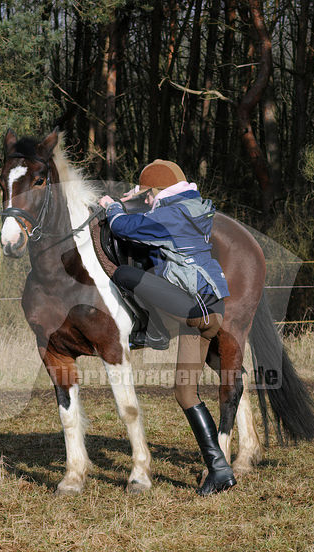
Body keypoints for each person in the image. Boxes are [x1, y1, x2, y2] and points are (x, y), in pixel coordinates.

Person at [98, 159, 236, 496]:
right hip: (208, 307)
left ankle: (155, 329)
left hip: (196, 309)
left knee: (124, 274)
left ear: (157, 193)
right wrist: (143, 197)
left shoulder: (169, 216)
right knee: (184, 392)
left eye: (149, 194)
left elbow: (122, 228)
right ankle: (220, 470)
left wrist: (114, 206)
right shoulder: (191, 207)